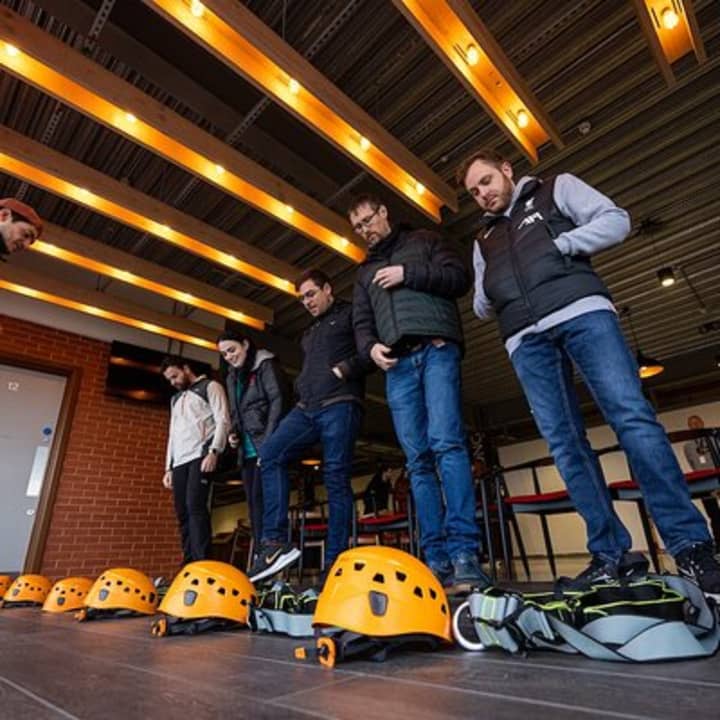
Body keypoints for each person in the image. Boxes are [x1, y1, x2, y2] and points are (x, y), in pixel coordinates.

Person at [457, 148, 720, 596]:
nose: (482, 193)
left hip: (582, 313)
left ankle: (691, 545)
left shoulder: (554, 188)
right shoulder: (482, 239)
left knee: (630, 418)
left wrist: (563, 244)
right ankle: (611, 554)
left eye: (486, 181)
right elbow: (482, 302)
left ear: (505, 170)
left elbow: (615, 219)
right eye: (473, 191)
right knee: (564, 444)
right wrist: (492, 293)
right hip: (524, 339)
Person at [349, 193, 489, 592]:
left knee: (447, 445)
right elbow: (361, 321)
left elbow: (459, 278)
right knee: (417, 461)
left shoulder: (426, 240)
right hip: (397, 367)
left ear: (383, 211)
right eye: (357, 227)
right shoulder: (363, 273)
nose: (365, 230)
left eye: (367, 219)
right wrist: (370, 348)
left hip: (436, 349)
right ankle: (436, 560)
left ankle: (465, 556)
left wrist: (407, 274)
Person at [248, 269, 371, 584]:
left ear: (328, 288)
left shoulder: (350, 313)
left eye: (311, 294)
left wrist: (346, 369)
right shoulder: (309, 332)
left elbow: (369, 348)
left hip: (341, 404)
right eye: (302, 298)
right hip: (307, 408)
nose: (307, 302)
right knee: (270, 455)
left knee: (335, 479)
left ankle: (334, 565)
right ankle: (275, 543)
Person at [217, 330, 290, 556]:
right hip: (246, 451)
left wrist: (269, 443)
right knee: (254, 505)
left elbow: (278, 400)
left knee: (271, 504)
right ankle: (261, 556)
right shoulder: (232, 376)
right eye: (224, 354)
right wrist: (233, 433)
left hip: (267, 446)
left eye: (232, 350)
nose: (229, 356)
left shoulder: (265, 365)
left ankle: (273, 552)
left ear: (245, 344)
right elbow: (237, 411)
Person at [161, 356, 230, 563]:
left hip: (200, 456)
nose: (173, 382)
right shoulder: (176, 399)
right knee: (182, 512)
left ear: (186, 368)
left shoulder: (210, 386)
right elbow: (172, 434)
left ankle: (201, 561)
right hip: (179, 461)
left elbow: (223, 420)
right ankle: (188, 562)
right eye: (169, 379)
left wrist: (214, 451)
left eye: (175, 376)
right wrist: (168, 468)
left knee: (195, 507)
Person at [683, 415, 720, 549]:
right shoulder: (688, 446)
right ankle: (718, 543)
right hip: (703, 483)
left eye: (697, 422)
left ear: (702, 422)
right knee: (714, 514)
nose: (695, 425)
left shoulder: (714, 439)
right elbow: (693, 463)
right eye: (691, 424)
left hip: (717, 477)